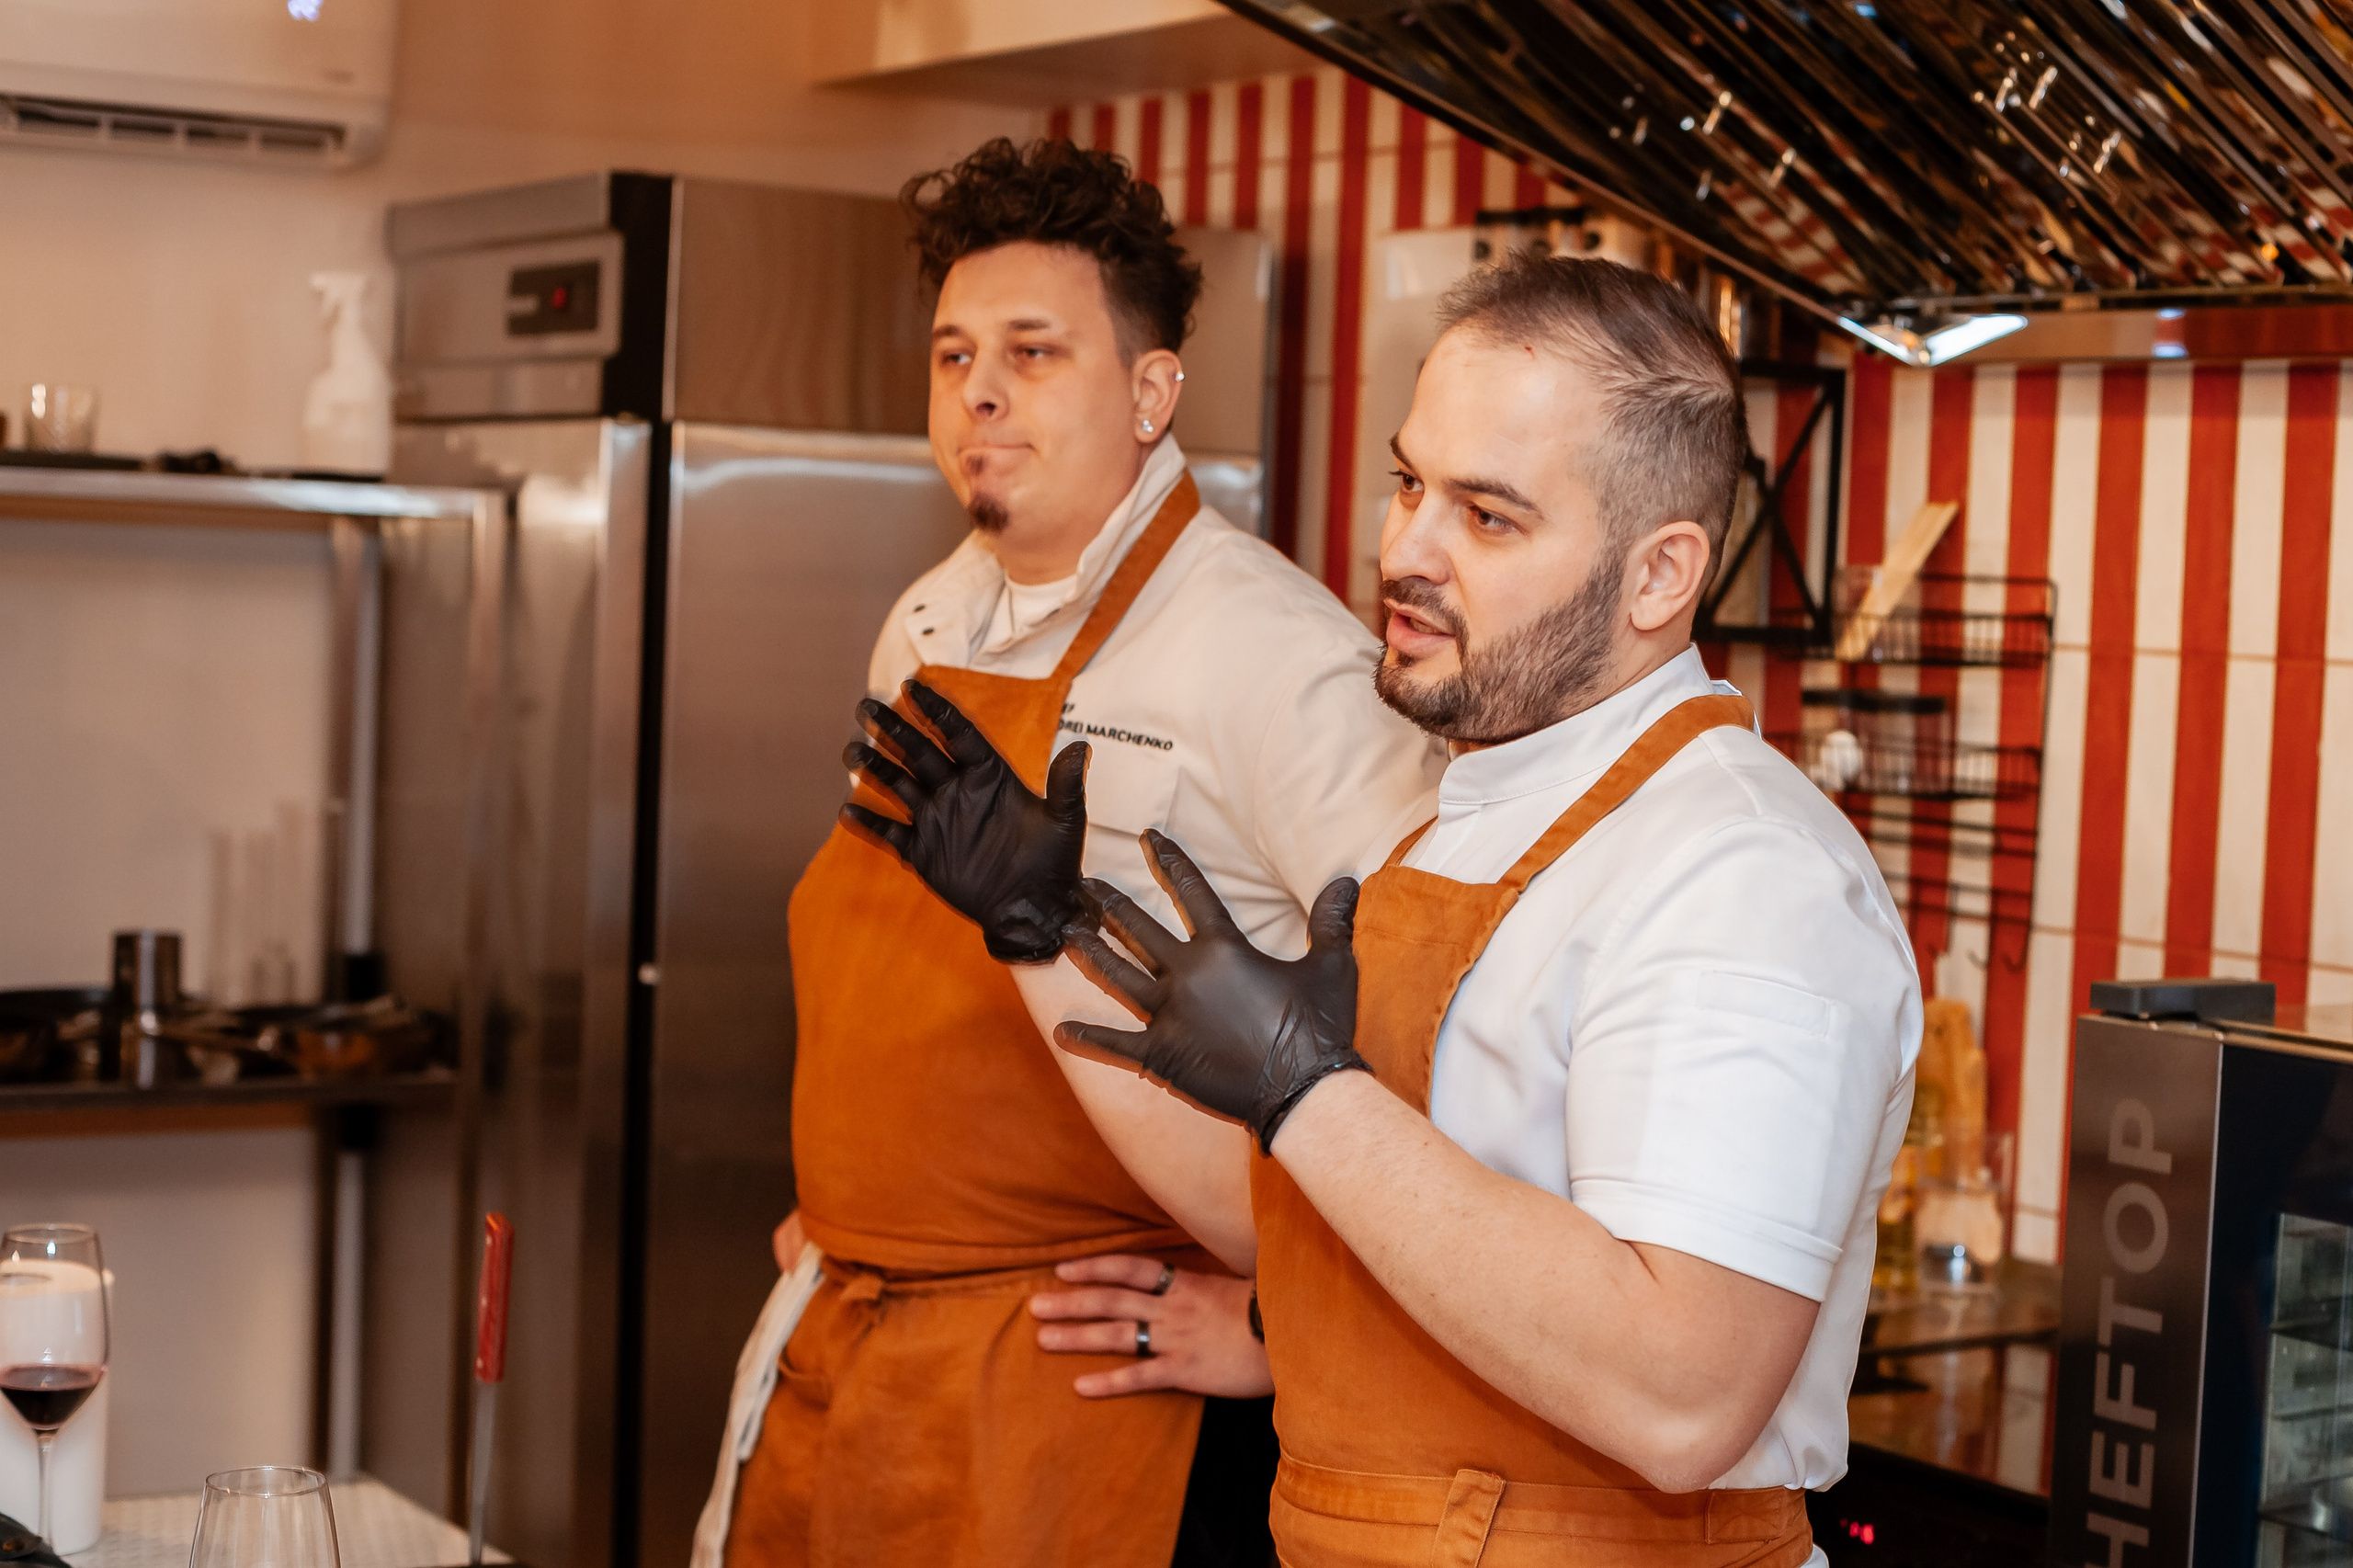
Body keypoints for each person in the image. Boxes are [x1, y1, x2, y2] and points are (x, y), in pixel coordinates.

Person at [870, 250, 1920, 1567]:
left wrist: (1308, 1092)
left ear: (1660, 577)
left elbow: (1682, 1396)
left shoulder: (1742, 874)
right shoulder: (1457, 815)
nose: (1404, 551)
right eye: (1411, 482)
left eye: (1488, 517)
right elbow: (1296, 1224)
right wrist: (1041, 931)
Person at [715, 137, 1440, 1568]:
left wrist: (1284, 1326)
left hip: (1087, 1400)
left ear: (1153, 392)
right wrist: (858, 1197)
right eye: (955, 355)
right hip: (857, 1353)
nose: (978, 393)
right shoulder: (928, 622)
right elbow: (892, 967)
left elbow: (1440, 1035)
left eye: (1033, 352)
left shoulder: (1278, 657)